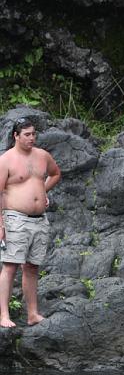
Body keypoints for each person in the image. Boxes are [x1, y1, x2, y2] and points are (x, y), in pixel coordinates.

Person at [0, 118, 62, 328]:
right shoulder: (6, 160)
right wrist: (0, 224)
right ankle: (4, 315)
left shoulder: (42, 156)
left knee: (32, 267)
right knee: (10, 266)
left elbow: (55, 174)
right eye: (27, 135)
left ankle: (32, 314)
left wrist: (43, 190)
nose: (32, 138)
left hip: (39, 220)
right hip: (15, 218)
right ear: (16, 136)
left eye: (34, 134)